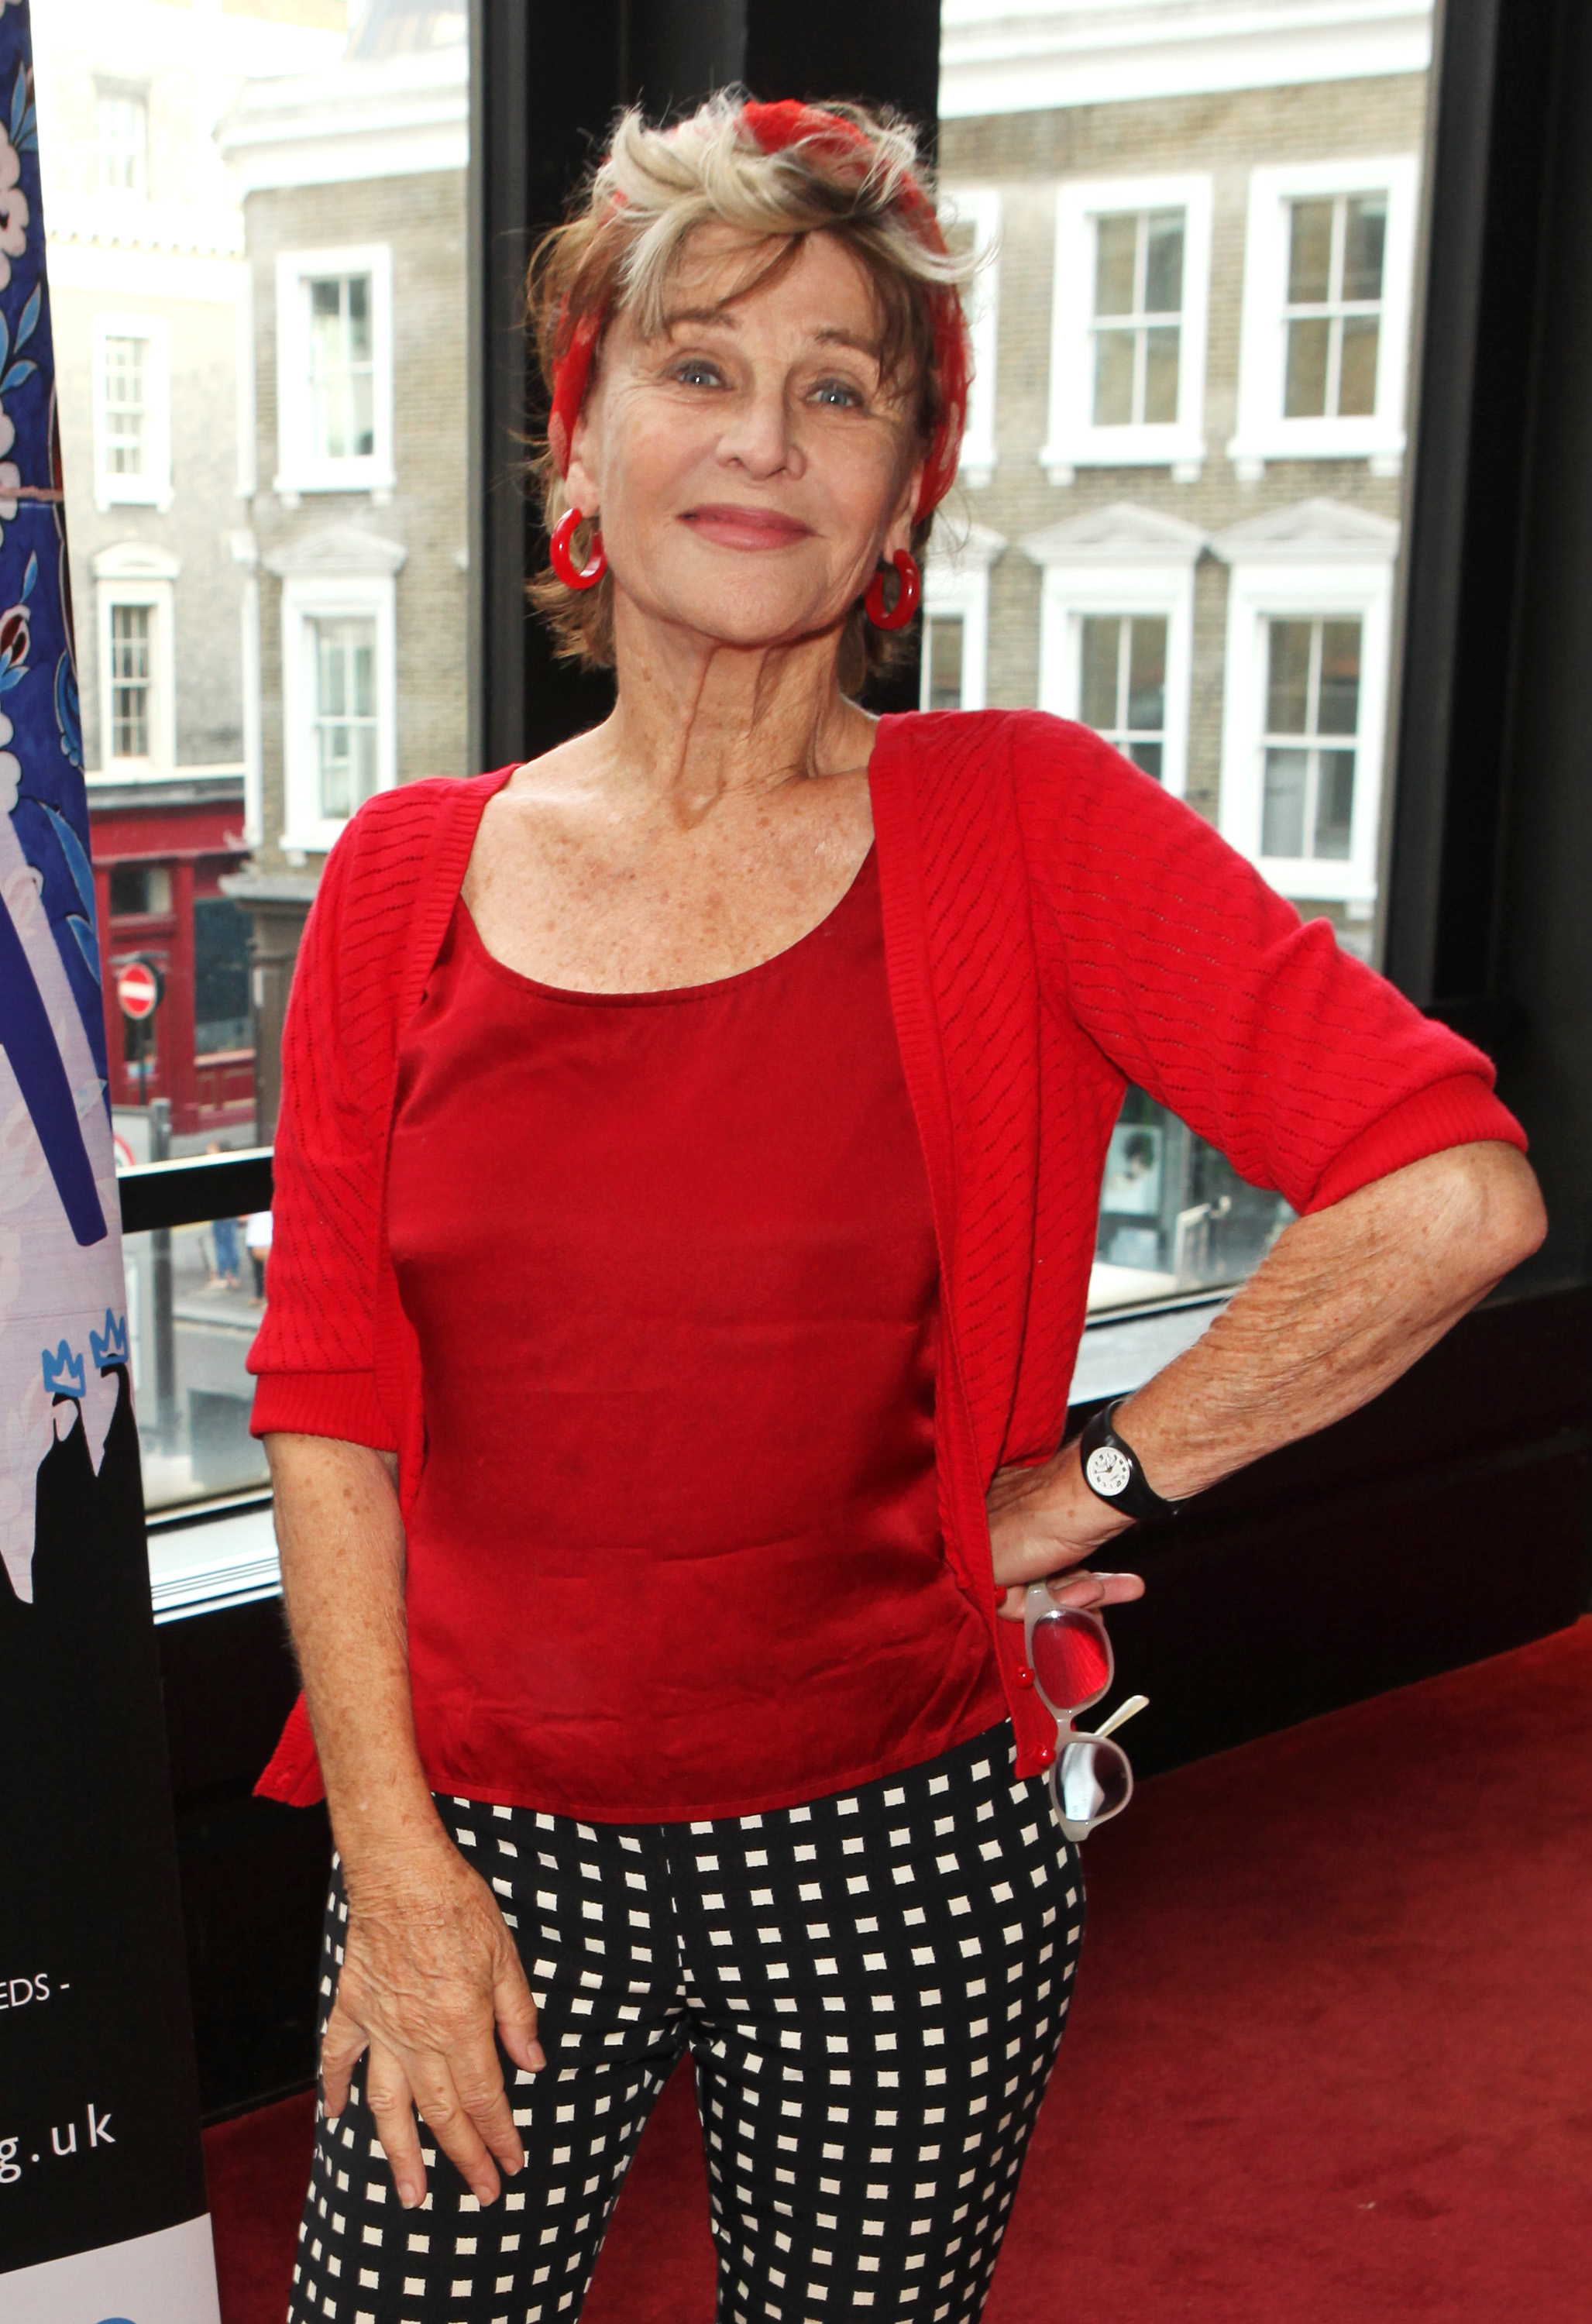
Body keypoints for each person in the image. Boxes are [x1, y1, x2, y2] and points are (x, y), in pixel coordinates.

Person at [249, 96, 1544, 2324]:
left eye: (840, 389)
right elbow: (329, 1393)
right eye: (700, 365)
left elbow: (1454, 1195)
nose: (766, 438)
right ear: (581, 448)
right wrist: (397, 1861)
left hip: (900, 1852)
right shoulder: (397, 879)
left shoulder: (1023, 822)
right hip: (475, 1837)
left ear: (903, 495)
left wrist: (1101, 1478)